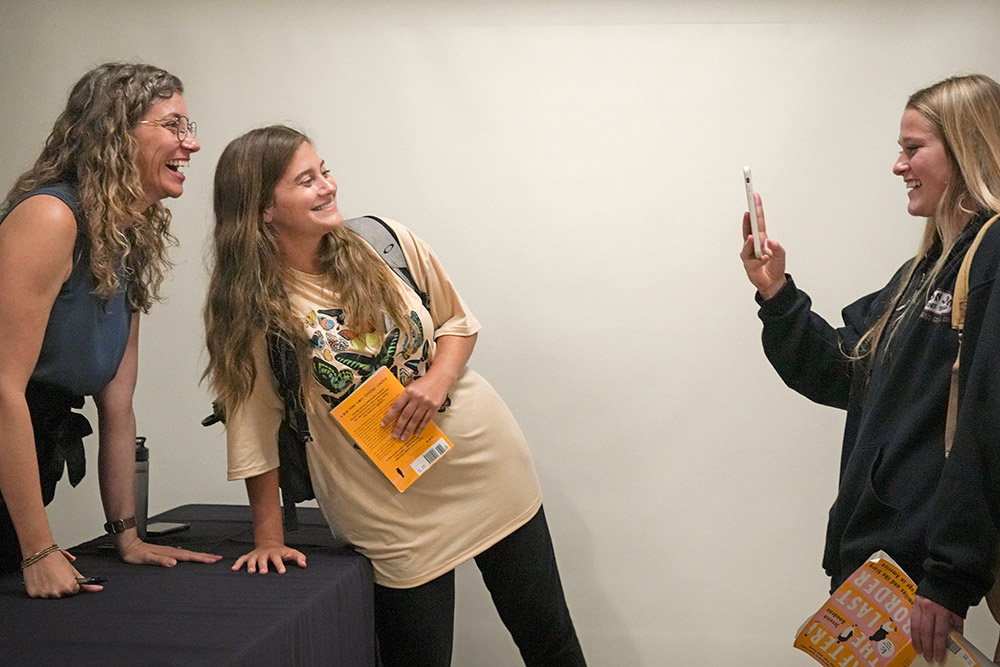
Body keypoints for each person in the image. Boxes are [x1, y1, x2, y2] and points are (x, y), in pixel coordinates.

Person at [205, 124, 586, 666]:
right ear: (263, 208)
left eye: (325, 171)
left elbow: (457, 322)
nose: (328, 187)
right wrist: (267, 537)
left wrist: (435, 382)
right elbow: (253, 423)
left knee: (551, 645)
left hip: (484, 467)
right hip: (386, 509)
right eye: (306, 181)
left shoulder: (383, 241)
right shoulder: (252, 307)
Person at [740, 74, 1000, 664]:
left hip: (923, 575)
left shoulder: (991, 260)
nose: (898, 166)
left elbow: (989, 424)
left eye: (913, 149)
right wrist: (778, 295)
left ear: (966, 149)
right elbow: (842, 373)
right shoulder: (923, 272)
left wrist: (951, 578)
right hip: (879, 568)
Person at [0, 62, 222, 599]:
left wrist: (128, 536)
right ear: (116, 133)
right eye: (174, 125)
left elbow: (117, 403)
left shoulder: (129, 237)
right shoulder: (52, 218)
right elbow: (2, 385)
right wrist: (38, 548)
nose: (190, 144)